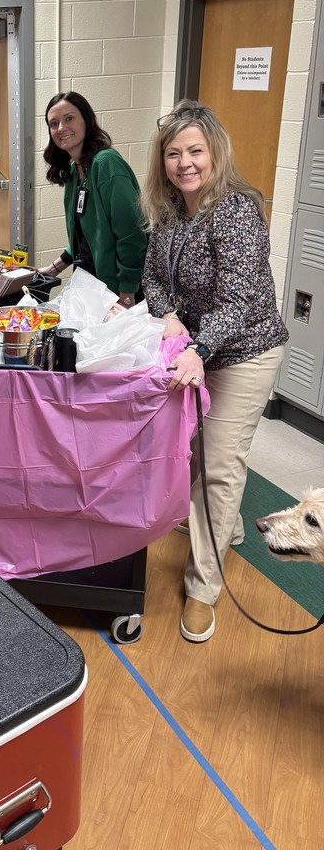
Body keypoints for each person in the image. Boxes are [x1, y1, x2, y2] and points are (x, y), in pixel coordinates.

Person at [141, 100, 288, 643]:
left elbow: (238, 297)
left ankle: (204, 588)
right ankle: (220, 525)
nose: (186, 163)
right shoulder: (170, 212)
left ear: (214, 152)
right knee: (198, 450)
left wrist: (196, 346)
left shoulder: (238, 210)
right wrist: (169, 314)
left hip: (245, 350)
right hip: (195, 349)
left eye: (195, 151)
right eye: (174, 153)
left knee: (222, 463)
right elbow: (153, 279)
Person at [39, 92, 148, 306]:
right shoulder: (75, 171)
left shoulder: (106, 164)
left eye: (69, 118)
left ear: (86, 120)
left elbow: (132, 236)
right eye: (54, 124)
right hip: (93, 284)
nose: (61, 128)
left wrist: (127, 294)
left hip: (119, 291)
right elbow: (87, 236)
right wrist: (55, 268)